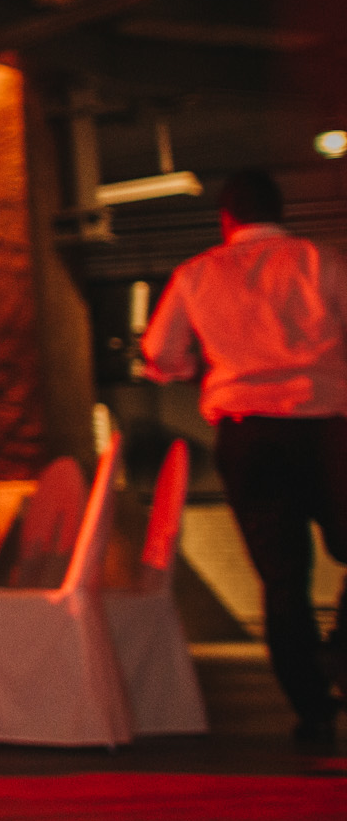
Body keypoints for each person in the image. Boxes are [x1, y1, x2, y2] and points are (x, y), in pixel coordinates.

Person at [142, 167, 346, 748]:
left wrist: (194, 370)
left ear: (226, 218)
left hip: (248, 433)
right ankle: (343, 651)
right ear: (281, 212)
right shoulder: (320, 261)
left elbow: (160, 354)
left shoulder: (196, 274)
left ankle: (312, 709)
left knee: (283, 579)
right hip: (326, 426)